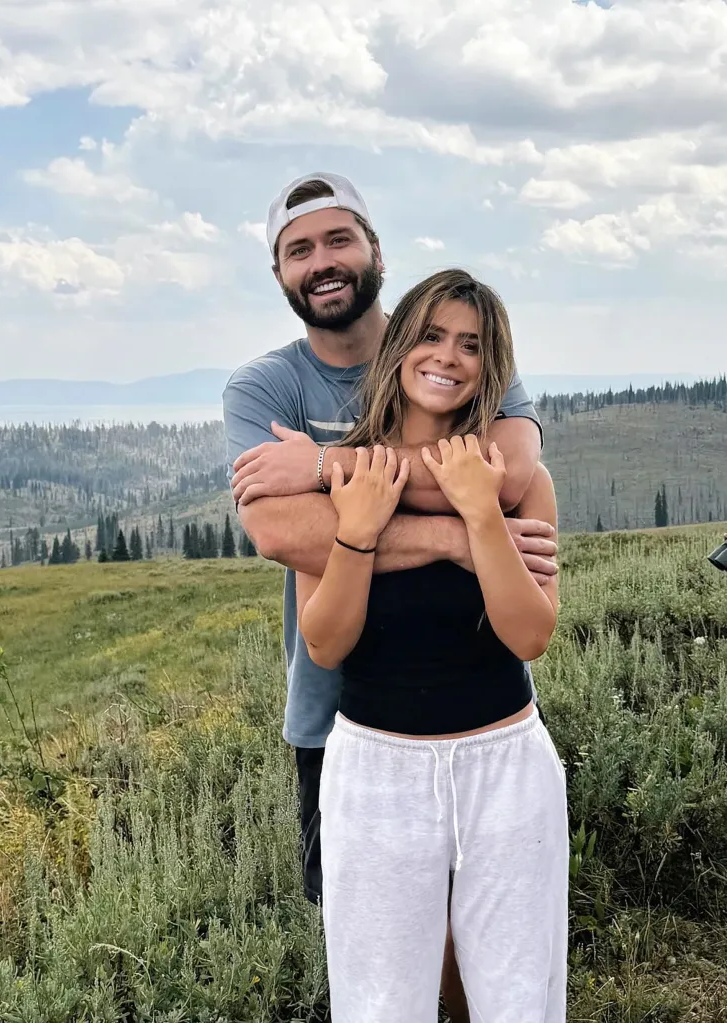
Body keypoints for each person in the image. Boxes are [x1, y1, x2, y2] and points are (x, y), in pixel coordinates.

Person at [222, 172, 558, 1020]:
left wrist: (334, 470)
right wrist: (439, 529)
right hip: (354, 736)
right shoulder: (264, 390)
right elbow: (285, 545)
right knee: (380, 976)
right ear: (279, 272)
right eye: (301, 247)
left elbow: (516, 486)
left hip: (497, 747)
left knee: (506, 980)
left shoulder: (486, 429)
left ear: (376, 253)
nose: (448, 357)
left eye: (340, 240)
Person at [297, 267, 568, 1023]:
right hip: (376, 773)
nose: (448, 356)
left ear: (492, 367)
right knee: (381, 1001)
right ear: (399, 346)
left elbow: (530, 634)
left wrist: (480, 515)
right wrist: (356, 529)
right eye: (431, 334)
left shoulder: (518, 484)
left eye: (472, 345)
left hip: (506, 768)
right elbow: (324, 644)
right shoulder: (341, 474)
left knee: (518, 997)